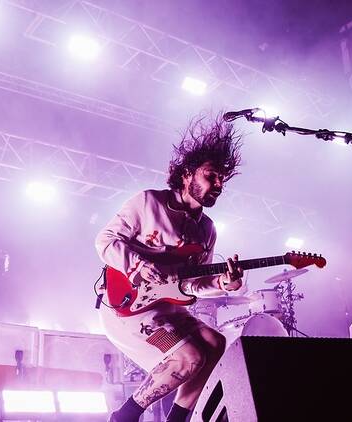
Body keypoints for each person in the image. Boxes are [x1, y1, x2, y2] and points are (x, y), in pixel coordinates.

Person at [95, 114, 245, 422]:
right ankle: (125, 415)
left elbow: (193, 285)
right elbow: (104, 241)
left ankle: (178, 419)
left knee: (216, 343)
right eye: (211, 176)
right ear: (187, 174)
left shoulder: (207, 230)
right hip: (128, 309)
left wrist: (223, 283)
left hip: (168, 307)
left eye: (221, 180)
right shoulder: (149, 203)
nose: (218, 185)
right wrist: (136, 262)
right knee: (190, 357)